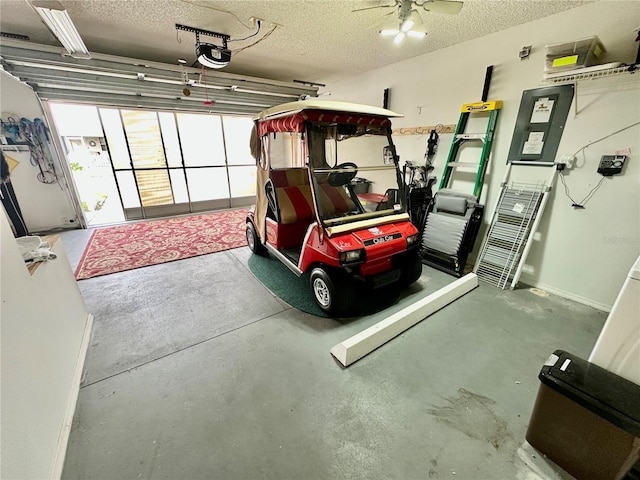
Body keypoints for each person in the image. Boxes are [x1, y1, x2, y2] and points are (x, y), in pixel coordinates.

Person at [1, 150, 28, 237]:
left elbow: (2, 163)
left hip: (2, 181)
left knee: (12, 210)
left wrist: (3, 177)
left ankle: (24, 235)